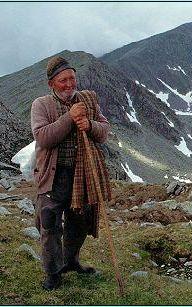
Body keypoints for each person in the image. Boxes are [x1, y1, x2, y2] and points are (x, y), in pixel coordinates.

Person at [31, 56, 111, 290]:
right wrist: (70, 117)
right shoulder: (41, 105)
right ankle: (53, 273)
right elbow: (43, 137)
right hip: (54, 177)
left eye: (72, 78)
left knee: (80, 221)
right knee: (49, 224)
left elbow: (104, 130)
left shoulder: (88, 99)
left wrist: (90, 125)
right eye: (63, 80)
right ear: (51, 84)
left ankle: (71, 261)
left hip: (81, 175)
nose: (69, 84)